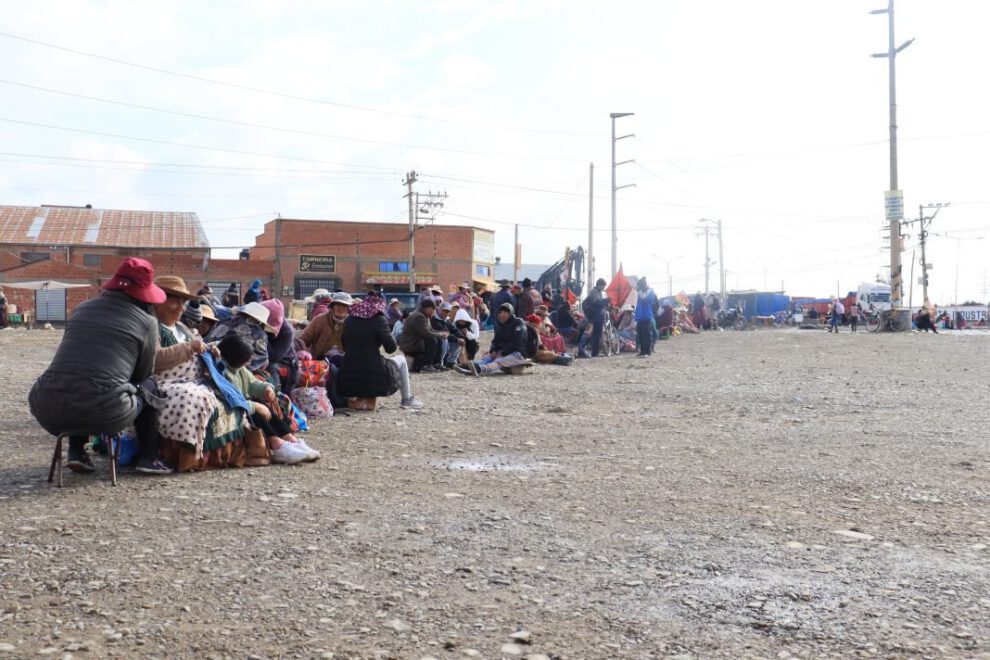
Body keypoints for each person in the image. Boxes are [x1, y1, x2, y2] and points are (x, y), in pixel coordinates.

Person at [28, 257, 169, 475]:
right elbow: (141, 374)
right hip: (105, 413)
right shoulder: (146, 322)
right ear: (143, 294)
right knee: (148, 385)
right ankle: (148, 458)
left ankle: (76, 452)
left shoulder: (81, 309)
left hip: (46, 406)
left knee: (79, 377)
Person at [152, 276, 252, 470]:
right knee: (191, 398)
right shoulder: (151, 328)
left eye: (183, 302)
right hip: (165, 383)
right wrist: (190, 348)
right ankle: (186, 457)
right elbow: (153, 360)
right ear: (158, 301)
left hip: (195, 379)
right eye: (175, 301)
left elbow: (197, 348)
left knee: (230, 395)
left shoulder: (182, 327)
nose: (181, 307)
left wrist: (209, 349)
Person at [217, 335, 314, 464]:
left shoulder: (238, 368)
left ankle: (290, 439)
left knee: (266, 408)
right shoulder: (223, 372)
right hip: (236, 408)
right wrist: (255, 406)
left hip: (245, 403)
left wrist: (267, 388)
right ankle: (277, 445)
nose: (248, 363)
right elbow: (231, 399)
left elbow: (252, 384)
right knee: (256, 413)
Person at [336, 294, 423, 410]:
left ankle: (360, 401)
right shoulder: (379, 319)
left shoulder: (350, 319)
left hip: (348, 371)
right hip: (373, 373)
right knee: (401, 359)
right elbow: (391, 348)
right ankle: (406, 399)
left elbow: (344, 346)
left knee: (367, 369)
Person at [456, 303, 531, 376]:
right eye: (501, 312)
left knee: (498, 361)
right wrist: (494, 350)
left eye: (505, 312)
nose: (502, 314)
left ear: (510, 313)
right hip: (502, 351)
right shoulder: (500, 325)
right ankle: (468, 367)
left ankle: (479, 369)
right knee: (487, 359)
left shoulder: (518, 322)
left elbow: (517, 342)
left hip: (517, 353)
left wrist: (503, 353)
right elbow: (495, 340)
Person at [298, 292, 353, 360]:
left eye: (344, 305)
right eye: (338, 305)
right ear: (332, 306)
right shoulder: (319, 320)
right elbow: (303, 339)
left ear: (349, 308)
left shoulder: (353, 323)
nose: (341, 308)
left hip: (346, 361)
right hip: (321, 360)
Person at [398, 298, 448, 373]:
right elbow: (426, 333)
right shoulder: (419, 316)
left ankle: (436, 363)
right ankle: (426, 365)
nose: (433, 312)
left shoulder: (425, 316)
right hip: (411, 345)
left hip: (417, 342)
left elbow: (431, 330)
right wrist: (440, 335)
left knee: (438, 338)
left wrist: (441, 333)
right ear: (427, 309)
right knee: (432, 340)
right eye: (432, 309)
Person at [581, 278, 609, 357]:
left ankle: (595, 352)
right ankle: (594, 353)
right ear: (599, 285)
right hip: (596, 316)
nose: (604, 288)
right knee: (596, 334)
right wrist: (606, 300)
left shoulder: (598, 292)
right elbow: (597, 303)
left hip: (598, 316)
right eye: (603, 286)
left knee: (597, 334)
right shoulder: (594, 292)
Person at [633, 278, 658, 357]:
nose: (639, 287)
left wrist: (639, 291)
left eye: (640, 285)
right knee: (640, 334)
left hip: (646, 316)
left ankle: (647, 352)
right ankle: (642, 351)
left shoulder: (650, 292)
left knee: (646, 334)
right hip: (640, 316)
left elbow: (644, 298)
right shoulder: (642, 292)